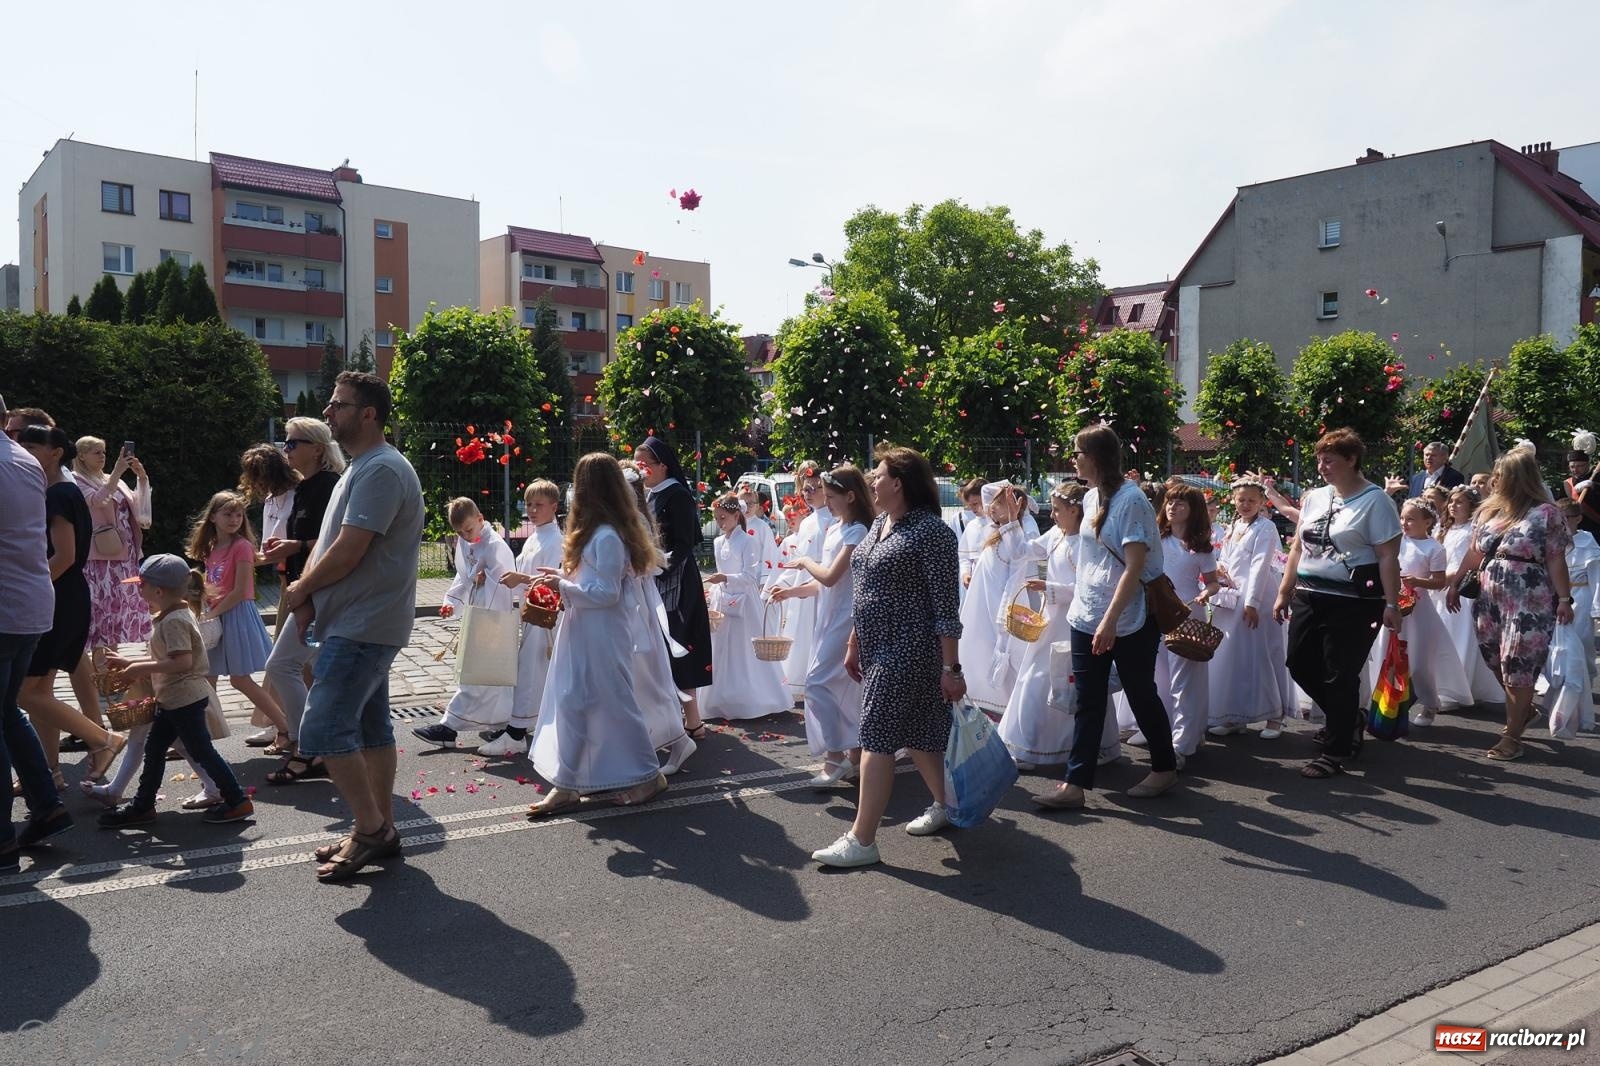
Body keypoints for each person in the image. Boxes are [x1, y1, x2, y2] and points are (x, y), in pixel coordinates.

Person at [281, 371, 423, 882]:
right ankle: (380, 825)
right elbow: (328, 543)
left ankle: (371, 829)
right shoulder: (360, 468)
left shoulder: (382, 469)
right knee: (369, 726)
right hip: (354, 619)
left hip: (366, 622)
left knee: (322, 727)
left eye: (338, 405)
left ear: (368, 414)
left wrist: (300, 591)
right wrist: (308, 599)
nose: (327, 413)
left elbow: (350, 548)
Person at [812, 445, 963, 868]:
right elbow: (865, 589)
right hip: (877, 648)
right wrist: (855, 641)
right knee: (919, 733)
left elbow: (946, 607)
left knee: (875, 737)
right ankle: (945, 804)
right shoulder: (880, 524)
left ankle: (862, 840)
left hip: (910, 650)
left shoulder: (932, 533)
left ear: (898, 483)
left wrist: (951, 668)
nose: (871, 481)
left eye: (877, 475)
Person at [1033, 425, 1178, 811]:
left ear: (1095, 457)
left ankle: (1164, 767)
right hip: (1087, 614)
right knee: (1089, 699)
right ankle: (1075, 783)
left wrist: (1110, 620)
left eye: (1078, 452)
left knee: (1139, 691)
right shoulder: (1093, 495)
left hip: (1129, 617)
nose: (1072, 458)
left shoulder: (1132, 501)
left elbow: (1134, 566)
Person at [527, 453, 679, 817]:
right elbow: (591, 585)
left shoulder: (608, 536)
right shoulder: (594, 532)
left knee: (615, 702)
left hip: (604, 633)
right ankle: (566, 784)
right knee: (572, 699)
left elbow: (607, 594)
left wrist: (562, 586)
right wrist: (563, 581)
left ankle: (649, 775)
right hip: (583, 629)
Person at [1273, 429, 1403, 780]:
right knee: (1298, 662)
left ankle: (1335, 750)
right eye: (1319, 459)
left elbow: (1388, 556)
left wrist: (1393, 602)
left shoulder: (1376, 501)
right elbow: (1298, 547)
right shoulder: (1315, 497)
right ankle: (1348, 719)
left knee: (1339, 674)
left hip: (1356, 602)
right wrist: (1285, 591)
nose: (1322, 466)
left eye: (1329, 459)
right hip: (1310, 594)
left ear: (1352, 460)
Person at [98, 555, 254, 827]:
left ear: (158, 591)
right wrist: (131, 663)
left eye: (142, 585)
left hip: (184, 700)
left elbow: (181, 662)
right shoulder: (175, 615)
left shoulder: (174, 621)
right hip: (174, 699)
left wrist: (136, 668)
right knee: (156, 748)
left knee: (201, 751)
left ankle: (237, 800)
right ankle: (143, 805)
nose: (139, 590)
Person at [15, 425, 126, 782]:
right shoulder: (56, 489)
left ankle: (103, 740)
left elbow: (64, 556)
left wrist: (29, 587)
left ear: (55, 452)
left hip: (58, 597)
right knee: (40, 692)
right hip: (63, 595)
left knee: (26, 693)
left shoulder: (60, 494)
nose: (25, 452)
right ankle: (50, 772)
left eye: (32, 446)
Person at [1446, 449, 1573, 761]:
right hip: (1489, 597)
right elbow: (1475, 552)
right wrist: (1454, 584)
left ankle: (1512, 736)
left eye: (1500, 475)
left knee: (1518, 663)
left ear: (1516, 478)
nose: (1494, 480)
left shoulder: (1546, 514)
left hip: (1529, 598)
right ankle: (1524, 711)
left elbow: (1556, 559)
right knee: (1495, 659)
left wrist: (1565, 599)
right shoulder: (1489, 512)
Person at [0, 394, 72, 868]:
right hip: (29, 604)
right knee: (8, 709)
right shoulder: (24, 458)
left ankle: (2, 836)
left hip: (5, 606)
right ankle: (47, 805)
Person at [771, 465, 874, 787]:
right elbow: (825, 584)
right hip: (829, 616)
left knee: (816, 684)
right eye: (825, 496)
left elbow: (829, 576)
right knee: (844, 687)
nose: (826, 502)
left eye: (831, 496)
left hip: (847, 619)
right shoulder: (836, 529)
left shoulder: (857, 531)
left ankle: (835, 756)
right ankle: (856, 752)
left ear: (851, 496)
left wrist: (804, 562)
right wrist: (794, 591)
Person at [259, 418, 345, 781]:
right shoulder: (305, 487)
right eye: (286, 442)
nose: (286, 449)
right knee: (308, 671)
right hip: (303, 590)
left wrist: (297, 547)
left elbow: (341, 542)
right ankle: (315, 747)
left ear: (317, 449)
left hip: (320, 592)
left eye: (292, 443)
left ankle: (307, 746)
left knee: (283, 667)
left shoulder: (328, 486)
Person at [412, 498, 518, 748]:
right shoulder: (466, 540)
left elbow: (504, 582)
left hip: (492, 615)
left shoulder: (495, 545)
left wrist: (486, 579)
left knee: (477, 672)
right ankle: (503, 722)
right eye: (460, 532)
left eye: (468, 530)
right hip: (476, 608)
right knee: (485, 674)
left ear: (480, 519)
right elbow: (464, 574)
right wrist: (452, 600)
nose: (466, 537)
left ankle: (449, 726)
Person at [187, 491, 291, 744]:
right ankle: (198, 738)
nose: (234, 519)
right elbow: (213, 586)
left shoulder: (241, 547)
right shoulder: (211, 548)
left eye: (238, 514)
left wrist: (212, 613)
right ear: (212, 517)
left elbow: (240, 591)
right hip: (215, 617)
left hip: (235, 616)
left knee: (240, 679)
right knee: (206, 678)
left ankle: (286, 728)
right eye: (227, 514)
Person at [998, 482, 1088, 769]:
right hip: (1050, 620)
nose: (1052, 516)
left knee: (1060, 680)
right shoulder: (1057, 536)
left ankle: (1056, 745)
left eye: (1058, 510)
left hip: (1071, 622)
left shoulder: (1087, 543)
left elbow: (1087, 588)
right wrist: (1013, 518)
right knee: (1036, 678)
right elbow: (1022, 551)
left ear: (1075, 511)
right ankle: (1031, 744)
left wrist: (1049, 587)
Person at [635, 437, 713, 738]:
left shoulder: (676, 494)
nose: (641, 471)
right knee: (660, 650)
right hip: (654, 576)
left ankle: (692, 721)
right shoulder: (649, 494)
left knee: (678, 645)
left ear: (662, 466)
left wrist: (659, 568)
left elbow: (684, 544)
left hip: (675, 582)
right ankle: (677, 719)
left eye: (645, 464)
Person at [1207, 478, 1292, 739]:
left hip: (1256, 598)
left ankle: (1274, 717)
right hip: (1232, 597)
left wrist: (1252, 603)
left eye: (1251, 500)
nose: (1245, 504)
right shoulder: (1234, 525)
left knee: (1263, 653)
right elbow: (1227, 558)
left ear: (1261, 502)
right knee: (1234, 655)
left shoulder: (1265, 528)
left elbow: (1259, 565)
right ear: (1233, 500)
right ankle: (1236, 715)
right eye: (1241, 499)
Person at [1375, 499, 1471, 727]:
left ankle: (1430, 704)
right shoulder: (1397, 542)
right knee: (1386, 654)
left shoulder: (1434, 548)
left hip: (1419, 610)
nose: (1404, 523)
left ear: (1427, 522)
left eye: (1411, 519)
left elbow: (1438, 581)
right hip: (1394, 605)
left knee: (1419, 662)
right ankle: (1386, 702)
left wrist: (1417, 581)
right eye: (1402, 518)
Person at [487, 480, 564, 758]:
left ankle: (517, 732)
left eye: (539, 505)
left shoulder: (556, 540)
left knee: (532, 670)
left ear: (554, 507)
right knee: (529, 670)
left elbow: (554, 579)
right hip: (530, 611)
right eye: (529, 504)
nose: (532, 510)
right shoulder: (535, 536)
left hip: (544, 614)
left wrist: (523, 580)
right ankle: (523, 723)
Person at [701, 494, 791, 722]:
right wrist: (717, 587)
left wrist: (725, 578)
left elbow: (751, 576)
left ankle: (756, 697)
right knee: (722, 647)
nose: (720, 522)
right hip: (724, 597)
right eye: (717, 518)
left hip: (744, 600)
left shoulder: (748, 540)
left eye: (723, 518)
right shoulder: (718, 542)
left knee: (743, 649)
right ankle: (720, 698)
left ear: (736, 515)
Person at [1148, 482, 1219, 763]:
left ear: (1193, 511)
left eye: (1180, 504)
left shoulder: (1200, 547)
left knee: (1184, 681)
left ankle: (1183, 742)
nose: (1172, 507)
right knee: (1158, 677)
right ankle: (1163, 731)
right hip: (1156, 612)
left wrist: (1205, 593)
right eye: (1169, 502)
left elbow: (1213, 583)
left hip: (1188, 613)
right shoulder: (1156, 539)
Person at [237, 441, 299, 747]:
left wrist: (251, 558)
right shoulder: (272, 499)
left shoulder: (297, 494)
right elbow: (268, 547)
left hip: (299, 578)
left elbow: (289, 543)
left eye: (260, 476)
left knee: (285, 658)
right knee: (282, 655)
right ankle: (275, 720)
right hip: (284, 579)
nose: (258, 484)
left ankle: (282, 722)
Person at [72, 436, 154, 648]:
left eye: (104, 452)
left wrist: (142, 478)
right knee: (102, 614)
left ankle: (111, 671)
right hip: (100, 556)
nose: (102, 456)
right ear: (81, 455)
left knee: (117, 615)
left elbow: (139, 510)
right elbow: (97, 501)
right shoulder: (75, 480)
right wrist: (118, 471)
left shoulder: (111, 478)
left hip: (124, 554)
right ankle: (101, 673)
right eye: (96, 452)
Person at [958, 481, 1029, 712]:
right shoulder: (991, 532)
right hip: (982, 604)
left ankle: (1004, 705)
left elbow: (1018, 567)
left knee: (1001, 656)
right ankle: (984, 702)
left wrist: (1006, 610)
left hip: (999, 605)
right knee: (978, 650)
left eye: (999, 505)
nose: (992, 509)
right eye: (994, 504)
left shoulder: (1015, 535)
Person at [1437, 487, 1504, 707]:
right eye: (1451, 502)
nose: (1453, 506)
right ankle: (1443, 684)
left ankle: (1456, 690)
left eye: (1460, 502)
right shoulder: (1445, 528)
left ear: (1471, 507)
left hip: (1462, 587)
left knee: (1459, 635)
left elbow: (1468, 561)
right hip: (1441, 586)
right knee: (1442, 636)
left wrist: (1451, 580)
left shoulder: (1471, 530)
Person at [773, 463, 828, 700]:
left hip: (820, 586)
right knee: (799, 632)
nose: (809, 493)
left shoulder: (831, 521)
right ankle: (799, 683)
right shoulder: (806, 522)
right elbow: (796, 560)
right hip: (801, 586)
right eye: (806, 489)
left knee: (816, 633)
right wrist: (783, 584)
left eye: (816, 488)